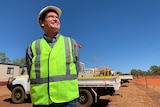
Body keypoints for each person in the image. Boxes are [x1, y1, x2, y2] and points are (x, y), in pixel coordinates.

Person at [26, 5, 80, 107]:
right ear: (42, 22)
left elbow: (76, 70)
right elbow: (30, 71)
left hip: (68, 100)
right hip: (42, 101)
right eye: (51, 16)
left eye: (57, 17)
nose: (55, 19)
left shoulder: (70, 42)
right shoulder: (33, 46)